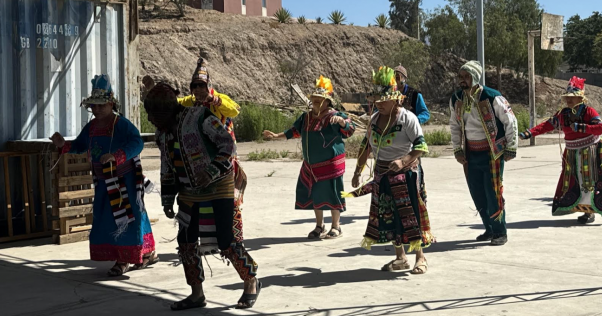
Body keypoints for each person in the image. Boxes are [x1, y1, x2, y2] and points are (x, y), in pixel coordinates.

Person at [144, 83, 260, 310]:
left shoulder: (200, 117)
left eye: (157, 115)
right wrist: (167, 198)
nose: (153, 120)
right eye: (151, 115)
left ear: (170, 110)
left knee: (226, 240)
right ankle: (197, 293)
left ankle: (251, 281)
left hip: (219, 184)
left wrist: (213, 169)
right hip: (188, 190)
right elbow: (166, 164)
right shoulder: (162, 133)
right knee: (185, 241)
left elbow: (227, 144)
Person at [50, 75, 157, 276]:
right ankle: (146, 252)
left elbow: (137, 143)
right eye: (94, 106)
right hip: (103, 182)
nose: (97, 110)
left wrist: (117, 156)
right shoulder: (91, 128)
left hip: (124, 181)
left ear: (111, 104)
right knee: (110, 219)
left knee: (125, 217)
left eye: (101, 106)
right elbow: (80, 145)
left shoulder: (122, 124)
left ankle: (123, 259)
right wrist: (63, 145)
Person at [343, 66, 433, 275]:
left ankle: (420, 257)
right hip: (382, 175)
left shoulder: (407, 119)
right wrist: (358, 172)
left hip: (407, 175)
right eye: (377, 100)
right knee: (388, 215)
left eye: (383, 101)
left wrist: (403, 161)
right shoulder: (374, 120)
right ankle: (400, 257)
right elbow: (365, 147)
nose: (379, 104)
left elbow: (421, 146)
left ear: (395, 100)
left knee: (410, 216)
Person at [263, 75, 355, 239]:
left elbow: (349, 130)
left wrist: (342, 122)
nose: (316, 103)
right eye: (314, 100)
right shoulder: (306, 117)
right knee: (316, 194)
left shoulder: (335, 115)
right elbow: (294, 131)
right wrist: (276, 135)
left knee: (333, 193)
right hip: (311, 165)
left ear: (327, 102)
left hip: (331, 164)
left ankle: (336, 226)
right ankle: (319, 226)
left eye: (320, 100)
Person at [520, 77, 602, 224]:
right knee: (573, 180)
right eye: (567, 98)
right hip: (571, 152)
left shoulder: (589, 111)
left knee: (587, 181)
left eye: (572, 98)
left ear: (580, 98)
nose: (569, 101)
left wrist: (582, 127)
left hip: (587, 151)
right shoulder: (563, 114)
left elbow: (600, 128)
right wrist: (530, 133)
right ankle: (580, 208)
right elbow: (547, 125)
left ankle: (588, 212)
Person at [178, 58, 247, 254]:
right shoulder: (190, 103)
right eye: (195, 86)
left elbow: (233, 110)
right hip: (200, 164)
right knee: (202, 204)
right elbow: (174, 105)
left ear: (209, 85)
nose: (198, 90)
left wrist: (213, 100)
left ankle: (233, 241)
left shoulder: (220, 99)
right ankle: (206, 242)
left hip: (224, 161)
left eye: (202, 85)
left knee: (228, 203)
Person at [449, 60, 517, 246]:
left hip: (492, 153)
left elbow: (510, 121)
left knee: (492, 192)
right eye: (460, 77)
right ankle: (488, 229)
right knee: (477, 192)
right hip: (471, 154)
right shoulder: (456, 99)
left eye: (466, 77)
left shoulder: (492, 96)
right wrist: (457, 149)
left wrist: (511, 146)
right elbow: (454, 126)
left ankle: (500, 232)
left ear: (476, 77)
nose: (462, 80)